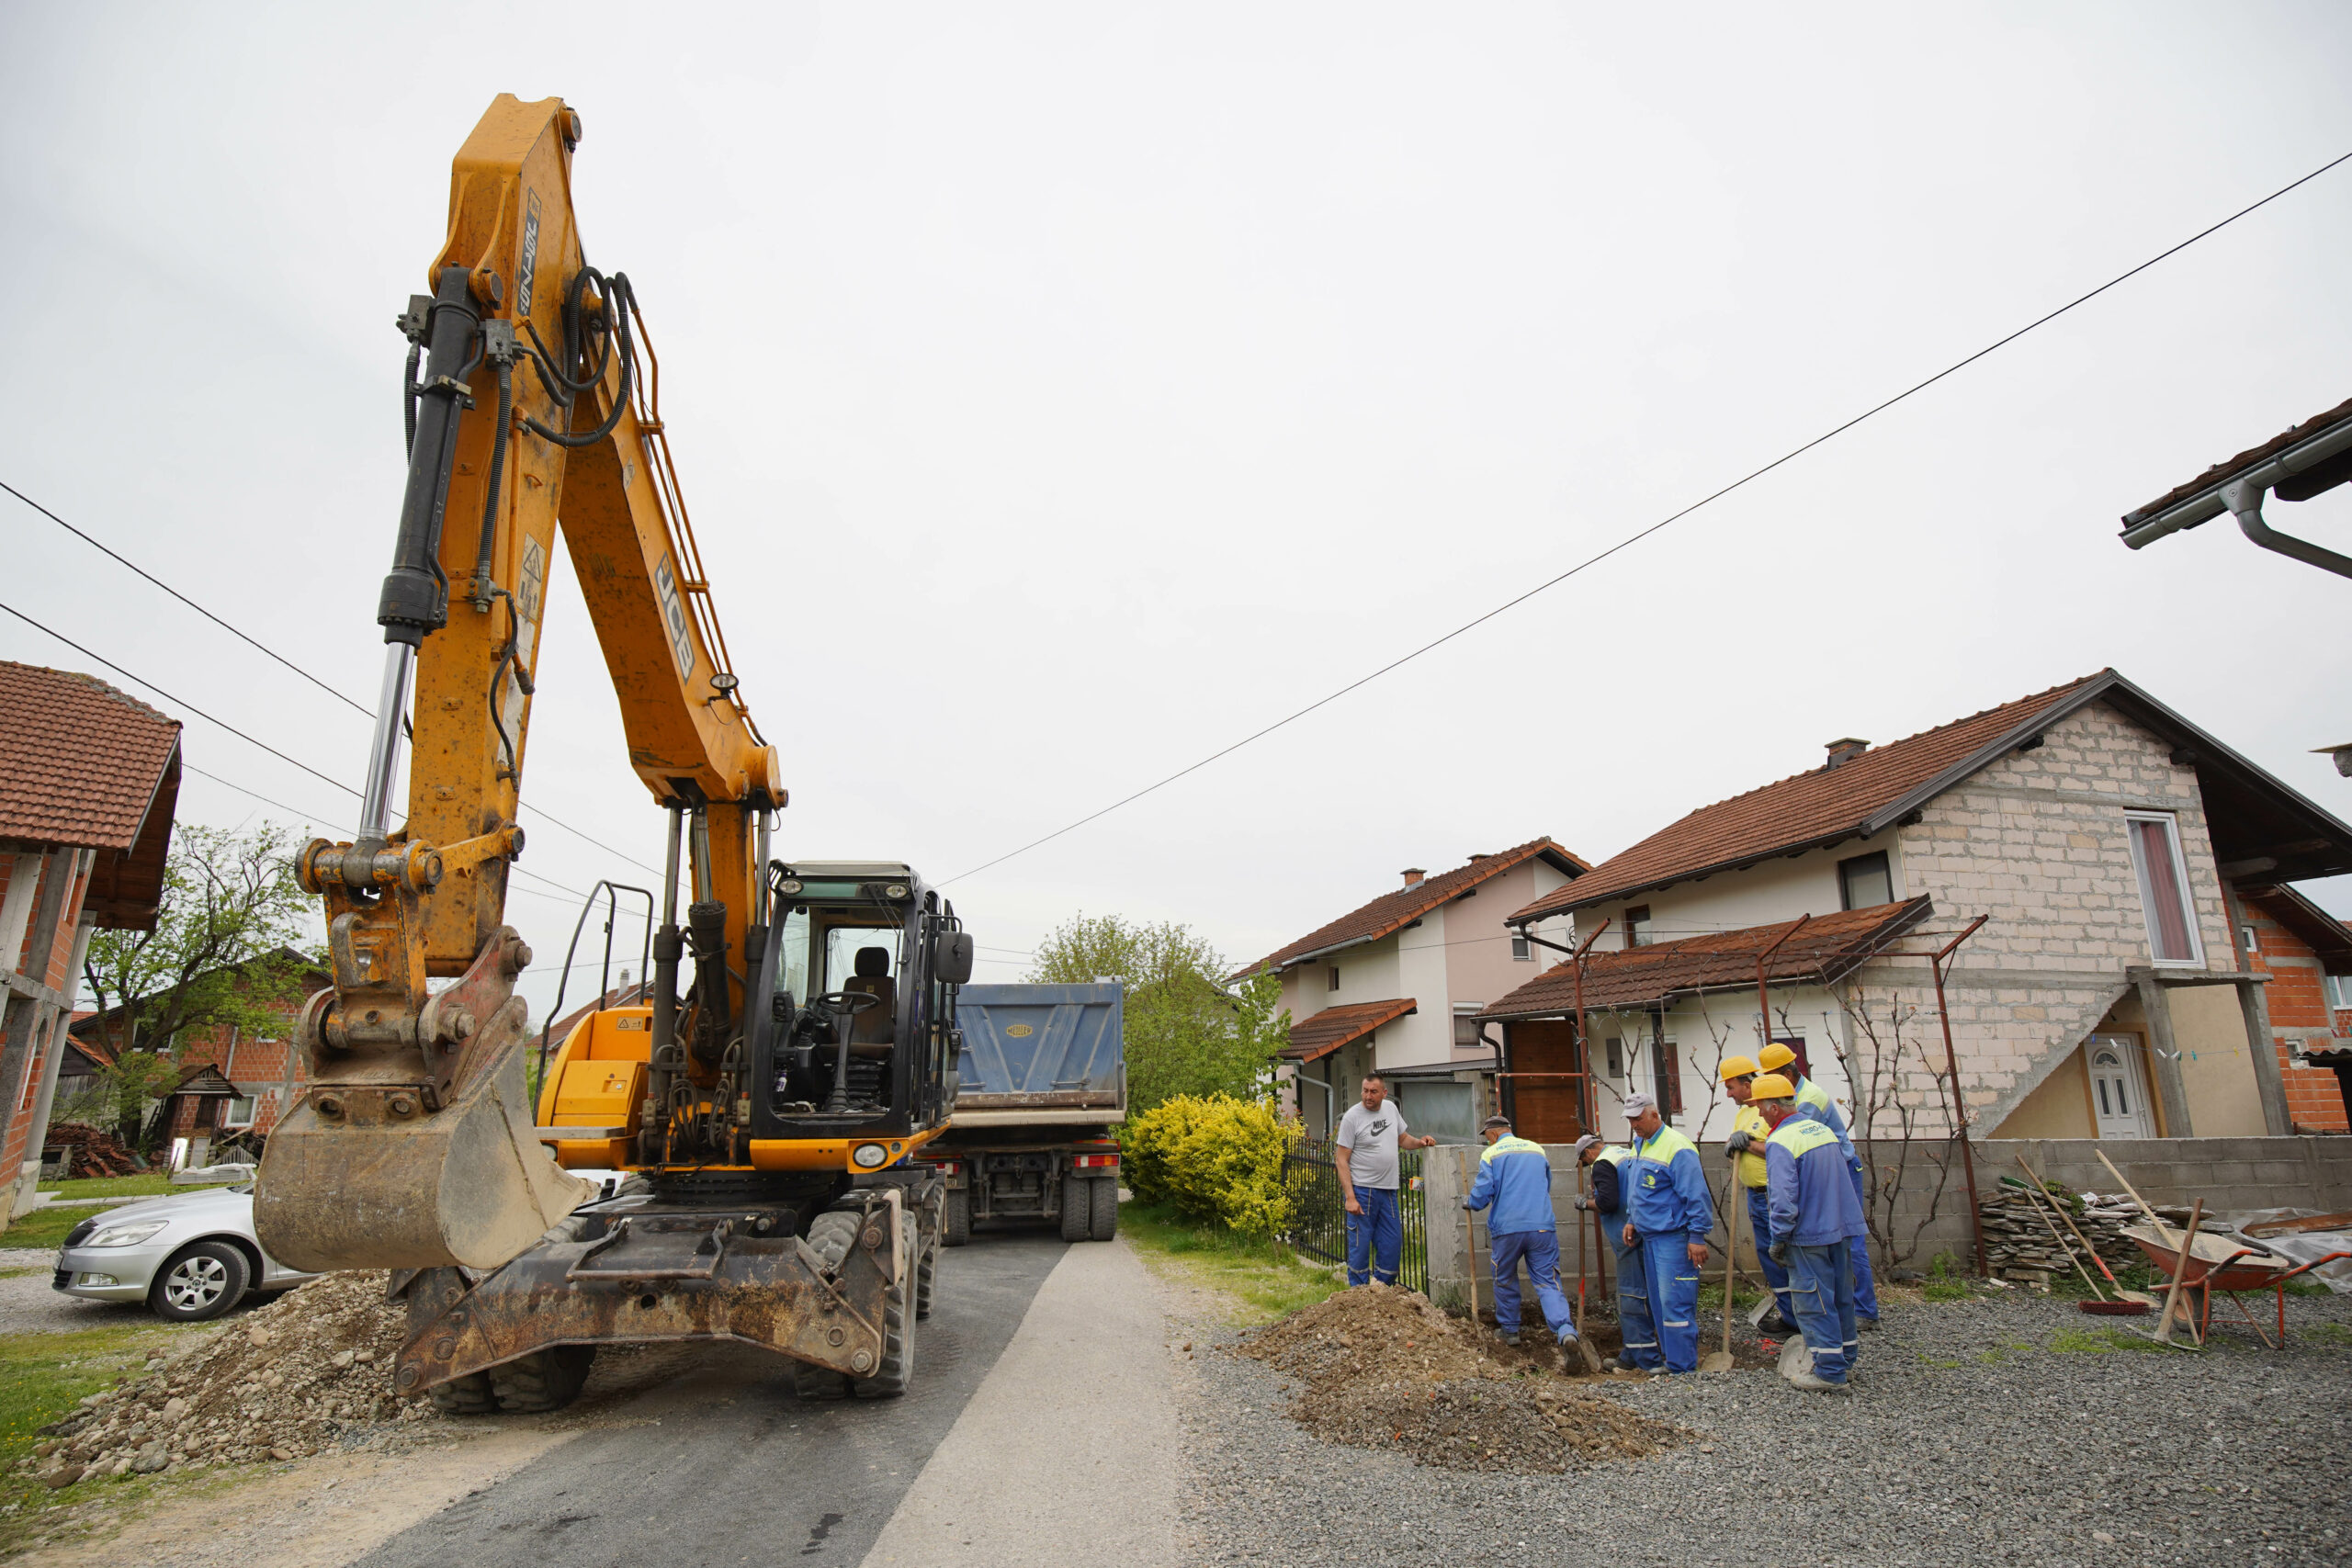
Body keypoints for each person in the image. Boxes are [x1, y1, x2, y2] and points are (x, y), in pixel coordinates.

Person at [1753, 1071, 1864, 1390]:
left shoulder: (1781, 1141)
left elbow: (1783, 1200)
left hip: (1809, 1233)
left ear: (1774, 1107)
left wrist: (1779, 1239)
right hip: (1840, 1228)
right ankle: (1844, 1362)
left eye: (1761, 1105)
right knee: (1841, 1297)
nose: (1759, 1112)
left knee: (1814, 1301)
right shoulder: (1822, 1130)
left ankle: (1829, 1372)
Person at [1756, 1043, 1880, 1326]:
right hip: (1824, 1166)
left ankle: (1863, 1310)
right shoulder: (1792, 1095)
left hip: (1839, 1168)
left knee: (1847, 1239)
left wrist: (1750, 1144)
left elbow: (1793, 1145)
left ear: (1787, 1074)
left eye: (1770, 1075)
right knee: (1837, 1240)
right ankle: (1842, 1311)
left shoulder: (1808, 1099)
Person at [1461, 1114, 1580, 1366]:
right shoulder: (1537, 1149)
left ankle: (1510, 1330)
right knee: (1548, 1281)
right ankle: (1565, 1331)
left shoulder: (1491, 1154)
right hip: (1541, 1227)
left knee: (1504, 1277)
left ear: (1492, 1134)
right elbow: (1545, 1184)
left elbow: (1483, 1192)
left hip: (1508, 1229)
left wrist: (1469, 1202)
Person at [1619, 1091, 1713, 1374]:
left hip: (1674, 1237)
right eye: (1630, 1120)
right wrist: (1632, 1219)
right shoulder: (1641, 1144)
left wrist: (1697, 1237)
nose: (1634, 1124)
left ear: (1655, 1115)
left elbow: (1696, 1196)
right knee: (1660, 1304)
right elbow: (1640, 1189)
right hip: (1650, 1237)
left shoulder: (1677, 1148)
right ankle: (1672, 1361)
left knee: (1676, 1302)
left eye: (1638, 1118)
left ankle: (1682, 1368)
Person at [1717, 1056, 1798, 1337]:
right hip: (1754, 1196)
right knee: (1768, 1259)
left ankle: (1801, 1317)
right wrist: (1733, 1148)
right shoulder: (1743, 1114)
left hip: (1772, 1195)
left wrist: (1749, 1144)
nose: (1728, 1094)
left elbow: (1780, 1147)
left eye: (1731, 1087)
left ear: (1746, 1083)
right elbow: (1739, 1149)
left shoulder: (1768, 1109)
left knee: (1783, 1257)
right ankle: (1789, 1315)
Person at [1335, 1074, 1435, 1287]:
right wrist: (1350, 1197)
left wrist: (1420, 1142)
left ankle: (1381, 1293)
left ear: (1384, 1093)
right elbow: (1341, 1159)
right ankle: (1359, 1296)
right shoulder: (1352, 1117)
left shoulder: (1390, 1109)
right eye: (1365, 1091)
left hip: (1389, 1191)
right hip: (1362, 1191)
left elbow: (1402, 1139)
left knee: (1391, 1246)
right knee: (1360, 1249)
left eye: (1373, 1091)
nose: (1367, 1096)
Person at [1573, 1132, 1657, 1372]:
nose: (1587, 1165)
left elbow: (1608, 1202)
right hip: (1647, 1231)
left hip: (1628, 1237)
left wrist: (1585, 1203)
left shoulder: (1602, 1164)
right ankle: (1632, 1354)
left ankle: (1643, 1360)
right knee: (1647, 1296)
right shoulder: (1626, 1153)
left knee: (1632, 1298)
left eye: (1585, 1161)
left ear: (1589, 1152)